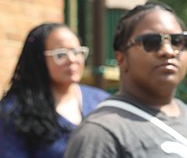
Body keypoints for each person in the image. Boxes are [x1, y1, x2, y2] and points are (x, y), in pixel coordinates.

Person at [64, 1, 187, 157]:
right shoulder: (100, 133)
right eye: (151, 42)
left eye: (178, 41)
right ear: (121, 58)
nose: (168, 51)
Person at [0, 23, 109, 158]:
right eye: (61, 54)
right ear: (38, 59)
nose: (72, 59)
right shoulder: (16, 110)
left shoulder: (101, 102)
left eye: (77, 52)